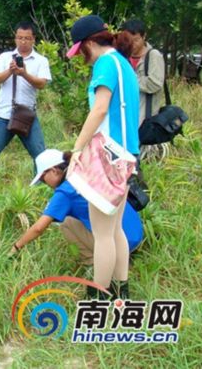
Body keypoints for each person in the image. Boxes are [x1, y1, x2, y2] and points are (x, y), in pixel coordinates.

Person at [66, 15, 140, 299]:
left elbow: (99, 110)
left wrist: (77, 148)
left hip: (108, 156)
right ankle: (122, 290)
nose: (81, 57)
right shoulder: (124, 64)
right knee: (115, 227)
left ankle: (99, 295)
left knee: (102, 234)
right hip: (127, 155)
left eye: (79, 50)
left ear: (87, 44)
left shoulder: (106, 64)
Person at [8, 149, 143, 274]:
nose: (45, 183)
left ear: (54, 170)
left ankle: (95, 263)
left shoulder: (66, 191)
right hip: (136, 233)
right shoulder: (86, 169)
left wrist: (16, 247)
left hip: (120, 244)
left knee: (66, 223)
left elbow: (38, 228)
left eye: (43, 179)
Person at [0, 21, 52, 188]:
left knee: (40, 156)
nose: (23, 41)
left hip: (27, 116)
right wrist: (10, 71)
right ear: (15, 38)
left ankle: (37, 190)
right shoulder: (5, 57)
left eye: (27, 38)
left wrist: (24, 74)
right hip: (4, 115)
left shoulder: (41, 61)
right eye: (20, 38)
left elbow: (41, 84)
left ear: (33, 39)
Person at [120, 19, 166, 126]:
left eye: (136, 40)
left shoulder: (153, 56)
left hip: (145, 119)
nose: (132, 44)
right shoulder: (123, 57)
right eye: (128, 41)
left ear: (144, 36)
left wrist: (128, 79)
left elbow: (154, 84)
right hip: (126, 116)